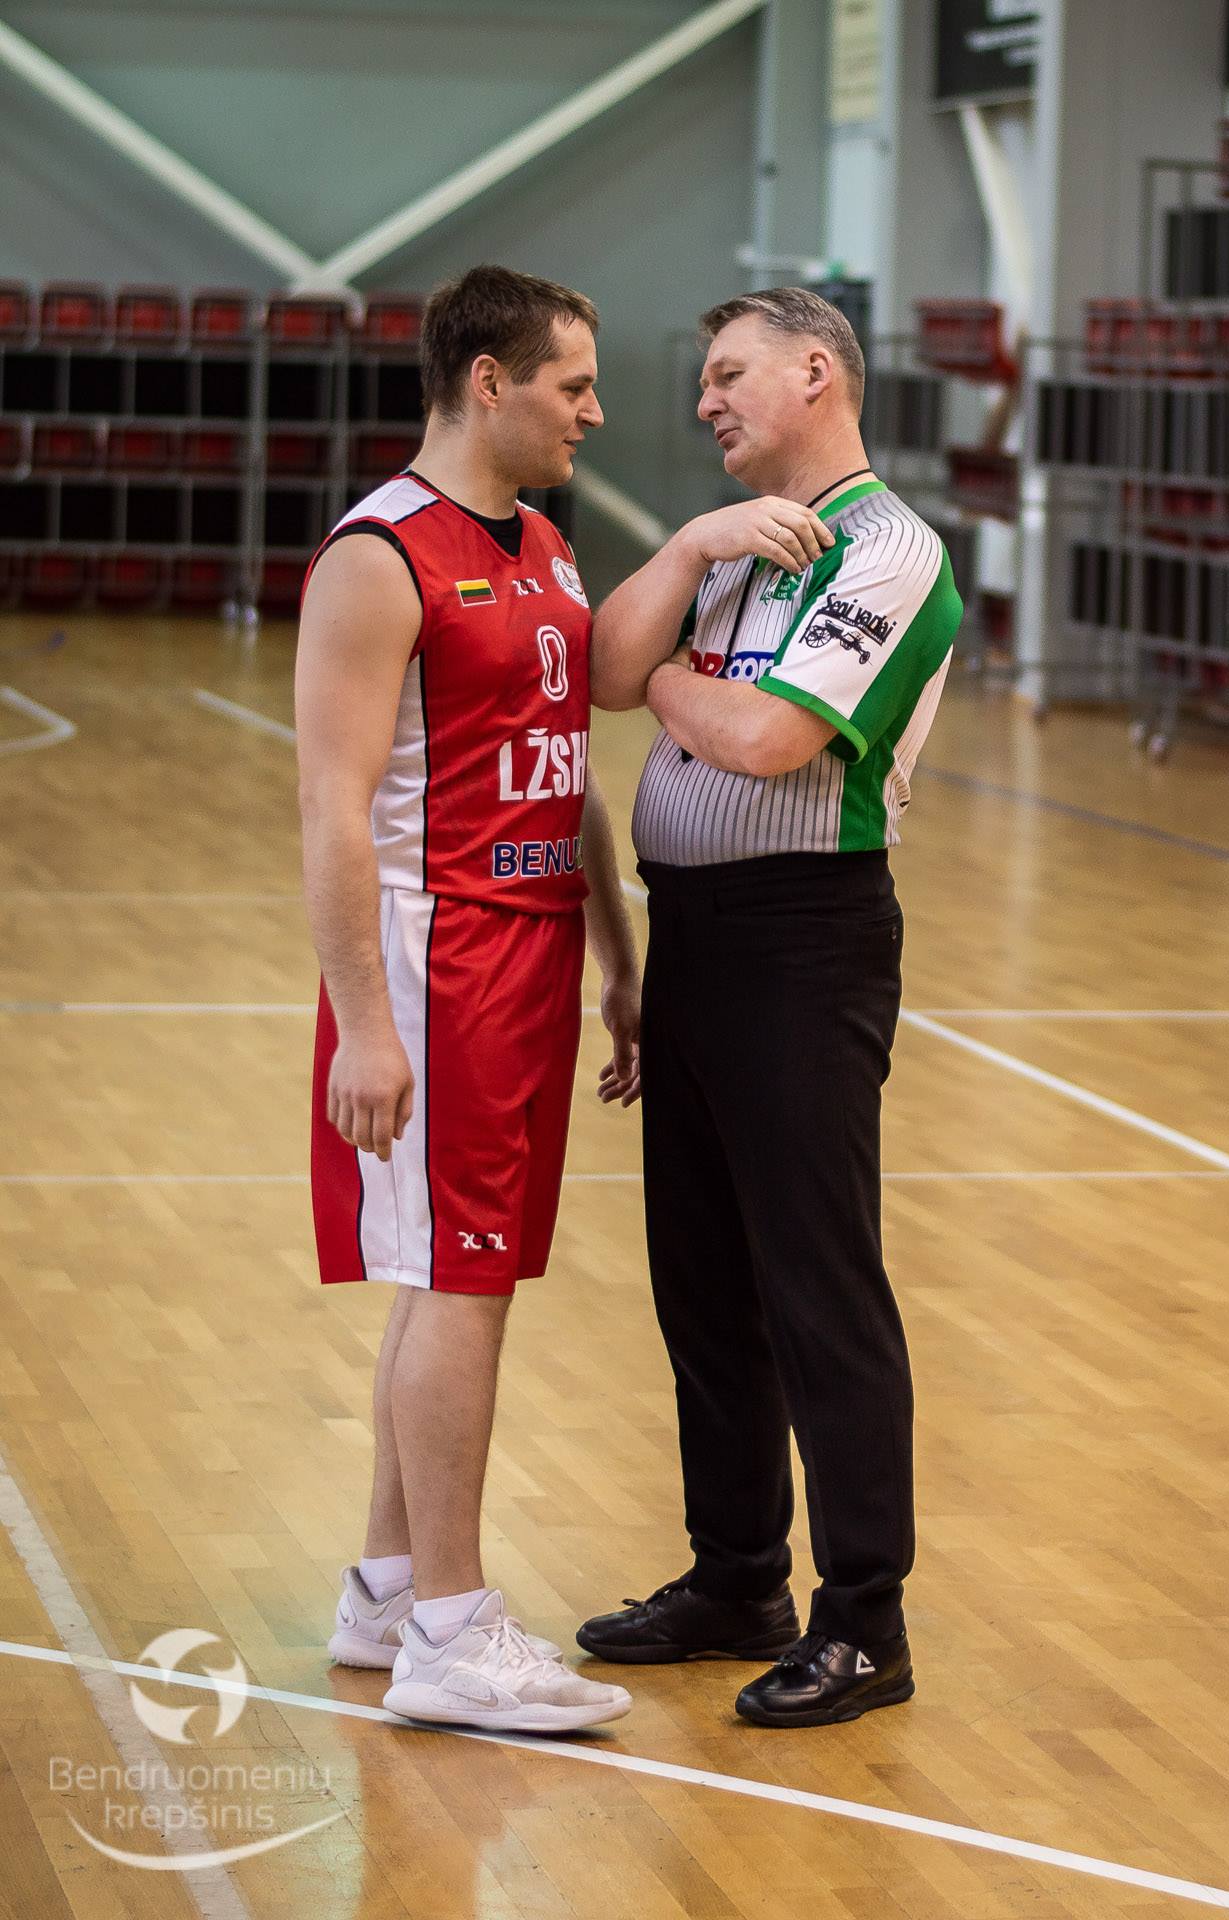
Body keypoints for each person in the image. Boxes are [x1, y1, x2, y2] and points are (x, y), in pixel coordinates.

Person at [578, 288, 964, 1727]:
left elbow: (761, 738)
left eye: (729, 374)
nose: (704, 401)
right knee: (703, 1285)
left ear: (816, 372)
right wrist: (690, 547)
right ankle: (737, 1578)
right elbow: (604, 673)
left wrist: (673, 674)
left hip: (806, 943)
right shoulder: (741, 542)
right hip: (694, 940)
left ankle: (865, 1620)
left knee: (819, 1290)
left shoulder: (891, 550)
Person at [296, 264, 638, 1735]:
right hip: (439, 961)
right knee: (464, 1280)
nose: (594, 411)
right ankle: (450, 1625)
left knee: (450, 1273)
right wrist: (367, 1024)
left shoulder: (548, 545)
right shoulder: (380, 557)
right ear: (486, 382)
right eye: (573, 384)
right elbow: (330, 808)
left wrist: (618, 959)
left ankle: (387, 1592)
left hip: (536, 953)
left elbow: (568, 774)